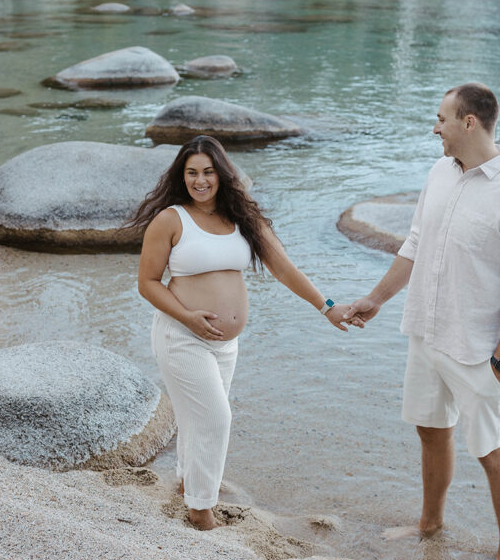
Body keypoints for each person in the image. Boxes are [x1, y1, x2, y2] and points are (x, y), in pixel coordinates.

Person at [346, 83, 500, 560]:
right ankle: (430, 524)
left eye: (440, 118)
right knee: (430, 430)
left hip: (480, 351)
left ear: (469, 123)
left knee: (491, 449)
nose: (433, 127)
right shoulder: (440, 172)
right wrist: (376, 299)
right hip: (426, 331)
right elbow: (415, 243)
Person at [132, 135, 350, 530]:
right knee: (216, 418)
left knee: (199, 418)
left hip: (225, 344)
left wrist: (327, 307)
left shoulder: (243, 219)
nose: (201, 181)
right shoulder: (170, 220)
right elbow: (148, 283)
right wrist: (187, 316)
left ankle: (188, 483)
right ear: (182, 177)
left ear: (222, 174)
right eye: (192, 173)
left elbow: (284, 269)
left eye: (208, 172)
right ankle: (201, 511)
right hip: (181, 335)